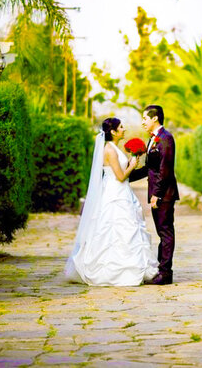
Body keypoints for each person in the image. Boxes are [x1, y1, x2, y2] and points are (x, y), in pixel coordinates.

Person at [65, 118, 159, 286]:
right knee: (115, 229)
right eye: (121, 127)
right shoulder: (109, 150)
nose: (124, 129)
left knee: (127, 229)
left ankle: (133, 266)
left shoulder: (114, 148)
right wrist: (132, 164)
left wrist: (131, 162)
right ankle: (113, 271)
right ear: (114, 132)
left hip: (121, 192)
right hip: (115, 193)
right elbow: (121, 176)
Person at [130, 105, 179, 285]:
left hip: (164, 194)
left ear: (155, 118)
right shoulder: (153, 139)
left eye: (145, 118)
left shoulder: (166, 138)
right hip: (157, 193)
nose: (142, 122)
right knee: (162, 231)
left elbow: (165, 169)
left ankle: (166, 273)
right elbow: (149, 169)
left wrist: (156, 194)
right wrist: (126, 176)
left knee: (165, 232)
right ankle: (162, 269)